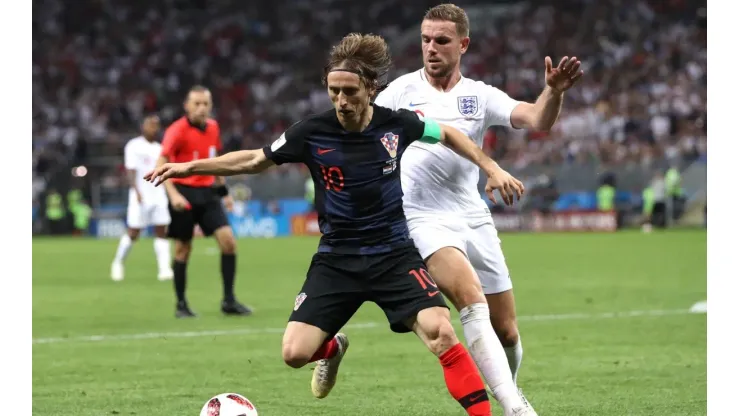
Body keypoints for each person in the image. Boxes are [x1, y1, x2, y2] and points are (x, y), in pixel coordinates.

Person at [145, 33, 533, 416]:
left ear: (371, 88)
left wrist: (491, 167)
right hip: (337, 259)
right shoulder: (311, 131)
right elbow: (254, 160)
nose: (341, 101)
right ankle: (332, 349)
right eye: (334, 91)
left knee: (442, 333)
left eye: (350, 91)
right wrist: (189, 167)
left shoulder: (396, 124)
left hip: (394, 255)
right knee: (294, 354)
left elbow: (447, 133)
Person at [374, 2, 583, 401]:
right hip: (422, 217)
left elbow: (537, 119)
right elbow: (363, 137)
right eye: (425, 40)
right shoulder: (400, 91)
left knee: (507, 330)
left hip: (473, 215)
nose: (431, 48)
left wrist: (553, 92)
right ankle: (514, 406)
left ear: (463, 44)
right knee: (471, 300)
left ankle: (510, 390)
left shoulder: (479, 95)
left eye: (441, 40)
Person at [157, 86, 252, 318]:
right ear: (187, 106)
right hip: (183, 192)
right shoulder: (176, 130)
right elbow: (161, 162)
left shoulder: (213, 128)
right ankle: (181, 305)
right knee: (183, 248)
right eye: (197, 104)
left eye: (205, 104)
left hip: (208, 193)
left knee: (228, 242)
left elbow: (215, 162)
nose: (201, 108)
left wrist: (224, 193)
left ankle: (229, 301)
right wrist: (174, 195)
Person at [111, 115, 174, 281]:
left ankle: (164, 269)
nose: (154, 128)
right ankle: (118, 262)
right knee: (134, 232)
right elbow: (130, 170)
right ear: (143, 127)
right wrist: (136, 191)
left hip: (158, 195)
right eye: (150, 125)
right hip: (141, 195)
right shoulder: (134, 146)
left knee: (162, 230)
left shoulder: (160, 148)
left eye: (156, 125)